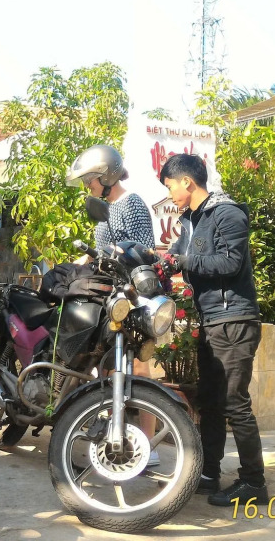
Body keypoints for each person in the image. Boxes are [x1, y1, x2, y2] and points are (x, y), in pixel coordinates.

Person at [159, 153, 267, 507]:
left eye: (170, 186)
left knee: (235, 404)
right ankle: (208, 473)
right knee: (210, 402)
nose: (170, 193)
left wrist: (185, 261)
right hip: (211, 321)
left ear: (187, 182)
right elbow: (175, 256)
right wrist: (158, 261)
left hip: (234, 320)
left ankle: (254, 483)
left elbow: (231, 262)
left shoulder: (226, 213)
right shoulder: (191, 220)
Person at [66, 144, 160, 466]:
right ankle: (110, 435)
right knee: (105, 364)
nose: (87, 185)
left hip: (132, 295)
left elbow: (144, 251)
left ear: (107, 176)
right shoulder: (105, 208)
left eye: (90, 179)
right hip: (108, 297)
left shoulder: (131, 203)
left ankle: (149, 445)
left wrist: (117, 253)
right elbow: (99, 253)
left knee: (139, 366)